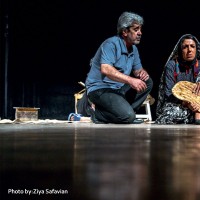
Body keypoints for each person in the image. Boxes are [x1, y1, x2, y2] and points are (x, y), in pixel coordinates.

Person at [84, 11, 153, 124]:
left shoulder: (133, 49)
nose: (140, 33)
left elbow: (138, 71)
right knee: (127, 117)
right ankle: (96, 113)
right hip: (100, 89)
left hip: (117, 89)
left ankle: (130, 113)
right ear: (125, 31)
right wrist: (131, 80)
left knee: (147, 81)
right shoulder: (111, 44)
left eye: (140, 29)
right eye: (136, 30)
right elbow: (106, 69)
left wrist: (142, 73)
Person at [155, 34, 200, 124]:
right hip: (178, 104)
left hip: (198, 104)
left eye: (192, 46)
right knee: (169, 115)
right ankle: (194, 117)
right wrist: (186, 103)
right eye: (185, 47)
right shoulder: (172, 66)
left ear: (196, 49)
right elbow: (168, 93)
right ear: (180, 50)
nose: (189, 50)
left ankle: (196, 115)